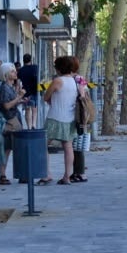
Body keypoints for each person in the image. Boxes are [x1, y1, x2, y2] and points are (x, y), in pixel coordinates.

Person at [42, 55, 78, 185]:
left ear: (59, 68)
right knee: (68, 147)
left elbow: (46, 97)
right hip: (70, 118)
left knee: (42, 145)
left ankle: (47, 174)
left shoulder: (57, 81)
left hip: (55, 117)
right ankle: (67, 176)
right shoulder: (74, 81)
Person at [0, 62, 27, 185]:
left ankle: (18, 174)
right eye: (12, 71)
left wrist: (20, 100)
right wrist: (19, 97)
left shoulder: (9, 87)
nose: (15, 72)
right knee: (6, 149)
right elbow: (6, 106)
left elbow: (10, 103)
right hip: (8, 122)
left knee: (15, 148)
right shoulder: (4, 88)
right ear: (6, 75)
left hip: (13, 120)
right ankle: (2, 176)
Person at [69, 55, 91, 183]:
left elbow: (82, 96)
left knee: (77, 144)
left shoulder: (76, 79)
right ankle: (77, 172)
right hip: (80, 114)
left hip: (77, 114)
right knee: (76, 144)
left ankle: (80, 173)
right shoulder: (79, 78)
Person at [17, 53, 40, 127]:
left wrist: (18, 93)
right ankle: (34, 124)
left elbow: (18, 83)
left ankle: (29, 127)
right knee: (34, 108)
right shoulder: (35, 67)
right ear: (31, 60)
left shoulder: (21, 70)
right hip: (35, 91)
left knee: (27, 109)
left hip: (25, 92)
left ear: (23, 60)